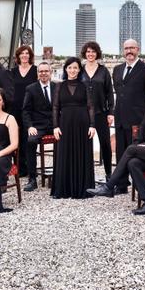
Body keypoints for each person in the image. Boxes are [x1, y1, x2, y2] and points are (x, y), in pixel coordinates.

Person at [88, 89, 145, 215]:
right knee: (133, 163)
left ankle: (109, 186)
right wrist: (141, 146)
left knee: (132, 149)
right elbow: (139, 137)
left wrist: (142, 147)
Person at [111, 39, 145, 193]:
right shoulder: (117, 70)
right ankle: (122, 184)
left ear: (138, 49)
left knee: (138, 153)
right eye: (126, 48)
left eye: (132, 48)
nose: (129, 51)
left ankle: (141, 185)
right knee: (121, 151)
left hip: (138, 120)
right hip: (120, 118)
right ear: (123, 50)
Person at [51, 57, 96, 199]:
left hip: (82, 124)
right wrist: (55, 126)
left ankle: (83, 188)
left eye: (75, 68)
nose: (72, 70)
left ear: (79, 70)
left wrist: (92, 125)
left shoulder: (85, 86)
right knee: (64, 153)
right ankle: (64, 189)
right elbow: (55, 108)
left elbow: (90, 107)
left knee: (81, 153)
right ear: (65, 69)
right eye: (70, 67)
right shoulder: (59, 86)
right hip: (64, 124)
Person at [80, 41, 114, 180]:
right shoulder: (79, 70)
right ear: (84, 53)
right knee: (84, 145)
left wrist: (111, 112)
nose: (90, 54)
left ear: (97, 53)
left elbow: (110, 93)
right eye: (88, 51)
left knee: (105, 144)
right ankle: (85, 176)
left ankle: (108, 175)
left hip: (101, 113)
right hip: (83, 114)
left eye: (93, 51)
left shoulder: (104, 71)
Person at [21, 61, 57, 191]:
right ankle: (32, 179)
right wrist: (30, 126)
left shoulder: (56, 87)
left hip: (55, 126)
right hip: (38, 126)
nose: (43, 73)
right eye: (41, 71)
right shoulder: (31, 88)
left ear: (50, 73)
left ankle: (59, 176)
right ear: (38, 74)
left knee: (66, 140)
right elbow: (25, 110)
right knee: (30, 142)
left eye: (46, 71)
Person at [10, 45, 37, 176]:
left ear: (30, 56)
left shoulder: (36, 70)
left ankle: (30, 167)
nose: (25, 55)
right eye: (22, 53)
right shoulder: (13, 71)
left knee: (29, 138)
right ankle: (19, 168)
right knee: (17, 138)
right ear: (18, 56)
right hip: (15, 109)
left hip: (31, 109)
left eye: (27, 53)